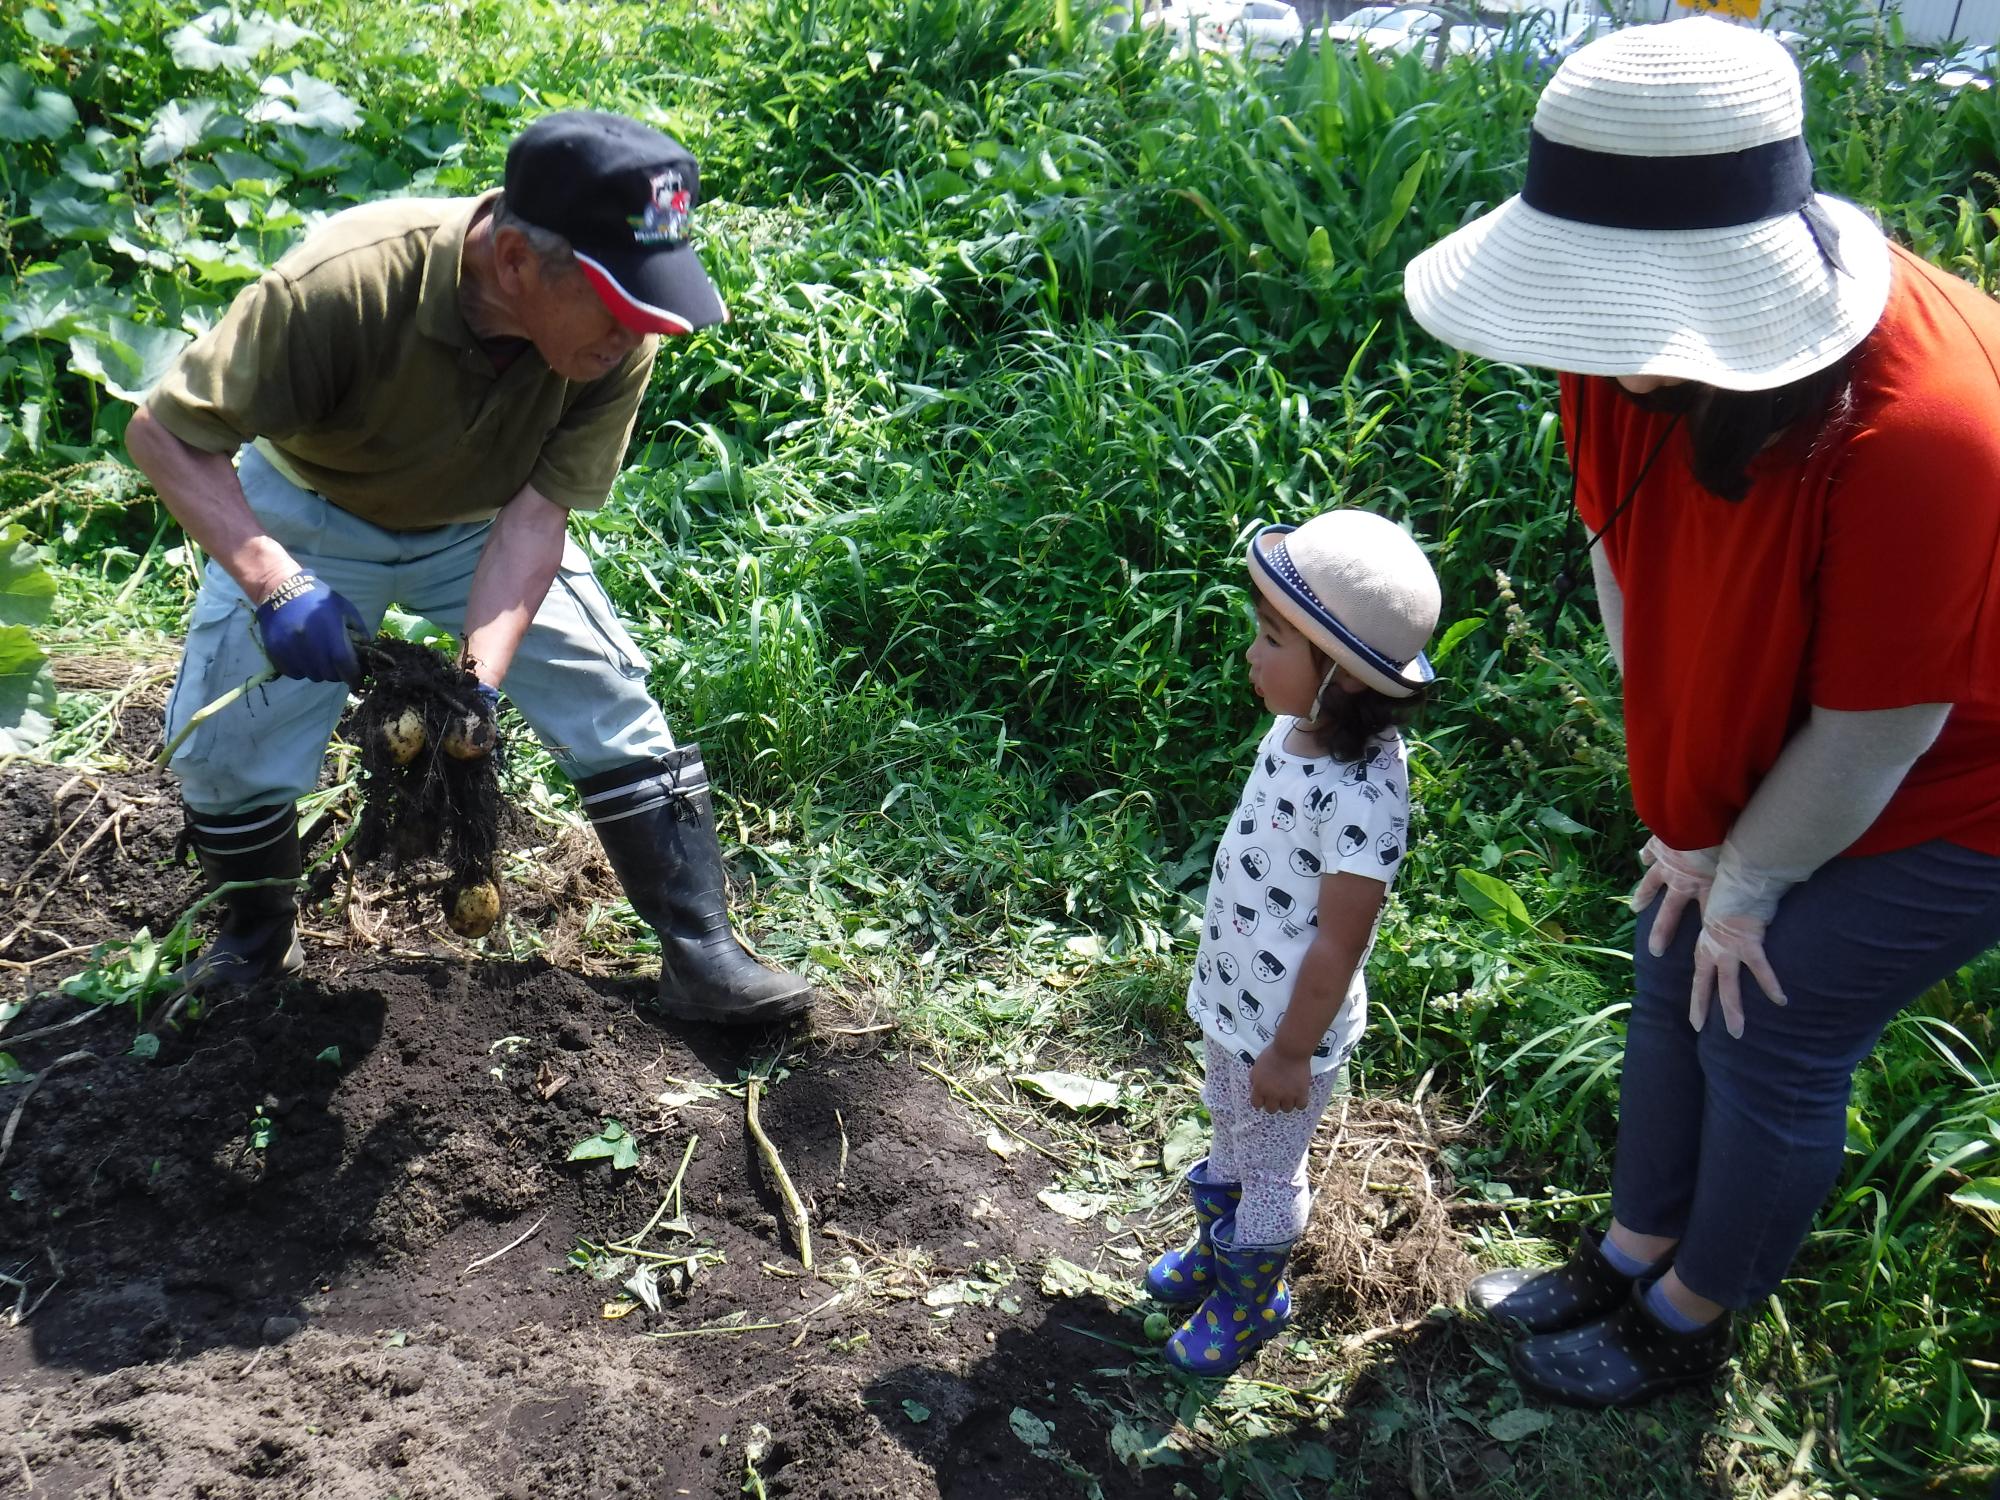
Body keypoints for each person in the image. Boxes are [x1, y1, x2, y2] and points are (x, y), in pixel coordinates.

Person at [1403, 18, 2000, 1406]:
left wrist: (1751, 878)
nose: (1610, 356)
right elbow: (1631, 565)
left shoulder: (1928, 429)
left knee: (1770, 1014)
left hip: (1958, 772)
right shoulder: (1614, 341)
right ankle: (1628, 1251)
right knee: (1670, 949)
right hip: (1819, 737)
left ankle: (1687, 1321)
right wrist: (1690, 819)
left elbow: (1878, 730)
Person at [124, 110, 812, 1026]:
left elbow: (537, 518)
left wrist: (475, 689)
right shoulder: (346, 282)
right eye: (616, 302)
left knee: (606, 697)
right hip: (312, 511)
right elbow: (163, 433)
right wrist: (273, 580)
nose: (641, 331)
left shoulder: (619, 336)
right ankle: (254, 939)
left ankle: (702, 952)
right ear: (518, 260)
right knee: (229, 742)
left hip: (482, 524)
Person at [1145, 509, 1440, 1375]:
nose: (1252, 652)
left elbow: (1336, 948)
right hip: (1237, 1001)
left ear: (1341, 678)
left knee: (1274, 1170)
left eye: (1272, 638)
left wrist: (1289, 1054)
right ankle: (1219, 1244)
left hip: (1288, 1034)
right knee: (1230, 1133)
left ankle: (1253, 1296)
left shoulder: (1367, 796)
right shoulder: (1294, 730)